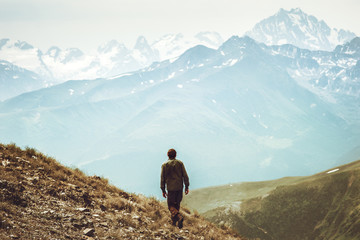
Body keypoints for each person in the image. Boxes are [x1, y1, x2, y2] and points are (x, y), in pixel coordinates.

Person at [160, 148, 190, 228]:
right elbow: (185, 176)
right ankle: (174, 224)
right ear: (175, 155)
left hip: (171, 188)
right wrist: (187, 186)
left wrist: (163, 189)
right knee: (177, 205)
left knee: (171, 206)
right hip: (179, 187)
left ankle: (179, 217)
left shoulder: (165, 165)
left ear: (168, 155)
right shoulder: (180, 163)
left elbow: (162, 178)